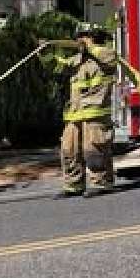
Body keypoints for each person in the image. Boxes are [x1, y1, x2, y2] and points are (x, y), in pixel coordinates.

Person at [51, 24, 118, 198]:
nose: (78, 40)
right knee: (69, 150)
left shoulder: (106, 54)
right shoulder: (78, 59)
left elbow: (103, 57)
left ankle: (101, 182)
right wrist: (47, 52)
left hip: (95, 114)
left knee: (94, 149)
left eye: (83, 36)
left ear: (93, 37)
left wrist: (88, 47)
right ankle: (73, 185)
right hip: (75, 114)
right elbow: (58, 67)